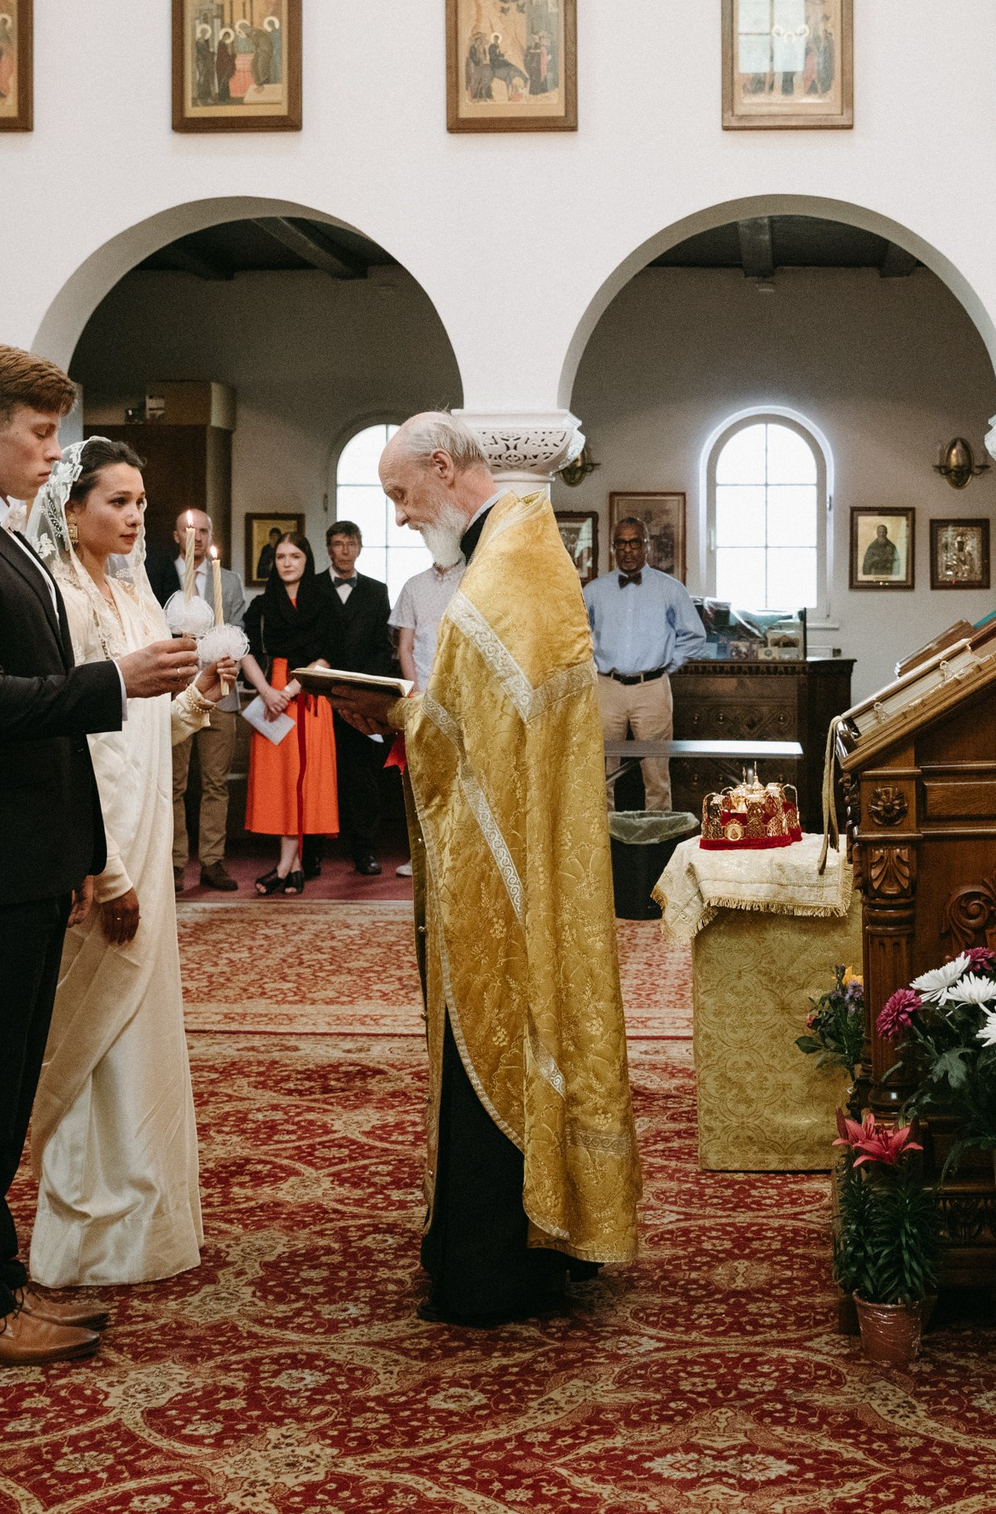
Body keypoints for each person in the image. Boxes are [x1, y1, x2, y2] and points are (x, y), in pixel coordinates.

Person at [0, 342, 201, 1366]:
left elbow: (35, 715)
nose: (51, 452)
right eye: (38, 432)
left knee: (3, 1085)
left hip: (19, 852)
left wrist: (76, 849)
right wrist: (116, 681)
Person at [350, 412, 639, 1326]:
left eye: (402, 493)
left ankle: (496, 1264)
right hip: (516, 841)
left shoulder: (505, 567)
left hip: (502, 861)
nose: (401, 515)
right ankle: (545, 1236)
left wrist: (396, 714)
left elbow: (461, 736)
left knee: (502, 1020)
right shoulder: (518, 548)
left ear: (443, 466)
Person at [24, 439, 235, 1288]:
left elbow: (144, 725)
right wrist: (102, 868)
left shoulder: (135, 593)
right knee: (97, 1029)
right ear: (71, 508)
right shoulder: (63, 598)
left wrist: (197, 699)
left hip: (148, 834)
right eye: (117, 501)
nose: (135, 515)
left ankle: (146, 1220)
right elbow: (74, 742)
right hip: (99, 844)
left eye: (141, 501)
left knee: (144, 1033)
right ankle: (87, 1232)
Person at [582, 518, 709, 813]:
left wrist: (665, 665)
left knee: (656, 774)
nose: (628, 550)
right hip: (606, 688)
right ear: (613, 547)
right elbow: (576, 635)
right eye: (621, 543)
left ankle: (659, 839)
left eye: (635, 542)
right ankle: (603, 840)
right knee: (599, 772)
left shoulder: (670, 589)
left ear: (647, 545)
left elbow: (694, 635)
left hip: (652, 689)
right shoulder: (594, 591)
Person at [243, 531, 340, 895]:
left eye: (294, 556)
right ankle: (293, 867)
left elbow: (329, 654)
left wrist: (289, 691)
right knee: (280, 782)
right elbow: (243, 651)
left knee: (304, 780)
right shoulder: (261, 604)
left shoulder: (324, 600)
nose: (287, 563)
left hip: (309, 694)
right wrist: (267, 691)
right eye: (281, 557)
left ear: (307, 560)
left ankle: (285, 866)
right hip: (271, 695)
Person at [166, 509, 244, 892]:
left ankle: (213, 861)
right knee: (174, 784)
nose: (196, 537)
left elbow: (238, 631)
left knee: (216, 783)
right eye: (189, 530)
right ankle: (174, 862)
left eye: (203, 531)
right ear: (176, 535)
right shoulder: (156, 574)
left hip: (221, 696)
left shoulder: (228, 581)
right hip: (175, 692)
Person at [318, 520, 394, 877]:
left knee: (362, 776)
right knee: (319, 774)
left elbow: (382, 646)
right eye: (338, 543)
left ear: (360, 548)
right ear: (329, 549)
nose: (345, 550)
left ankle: (365, 852)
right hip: (320, 697)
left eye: (351, 543)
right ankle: (312, 854)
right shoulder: (313, 587)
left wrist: (364, 687)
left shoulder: (378, 591)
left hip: (361, 697)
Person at [390, 553, 465, 879]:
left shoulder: (474, 578)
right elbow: (404, 647)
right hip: (422, 694)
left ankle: (459, 858)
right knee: (422, 779)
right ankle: (420, 855)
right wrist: (415, 694)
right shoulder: (413, 586)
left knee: (462, 780)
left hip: (464, 695)